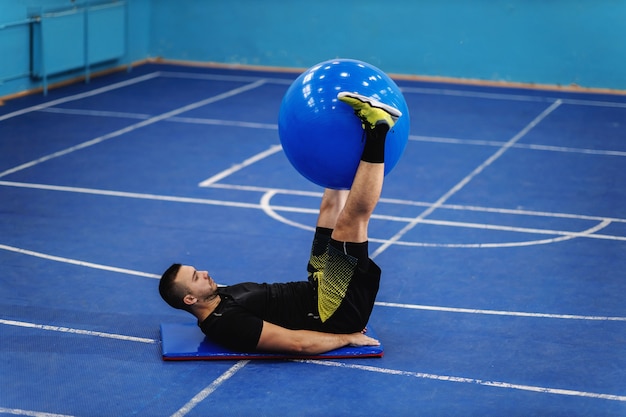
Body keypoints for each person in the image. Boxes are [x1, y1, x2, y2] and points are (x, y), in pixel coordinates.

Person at [159, 91, 402, 354]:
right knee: (351, 222)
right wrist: (347, 337)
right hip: (332, 312)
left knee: (329, 207)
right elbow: (296, 343)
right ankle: (378, 129)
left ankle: (354, 135)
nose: (204, 272)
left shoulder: (217, 295)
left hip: (316, 288)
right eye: (196, 277)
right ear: (190, 298)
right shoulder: (226, 324)